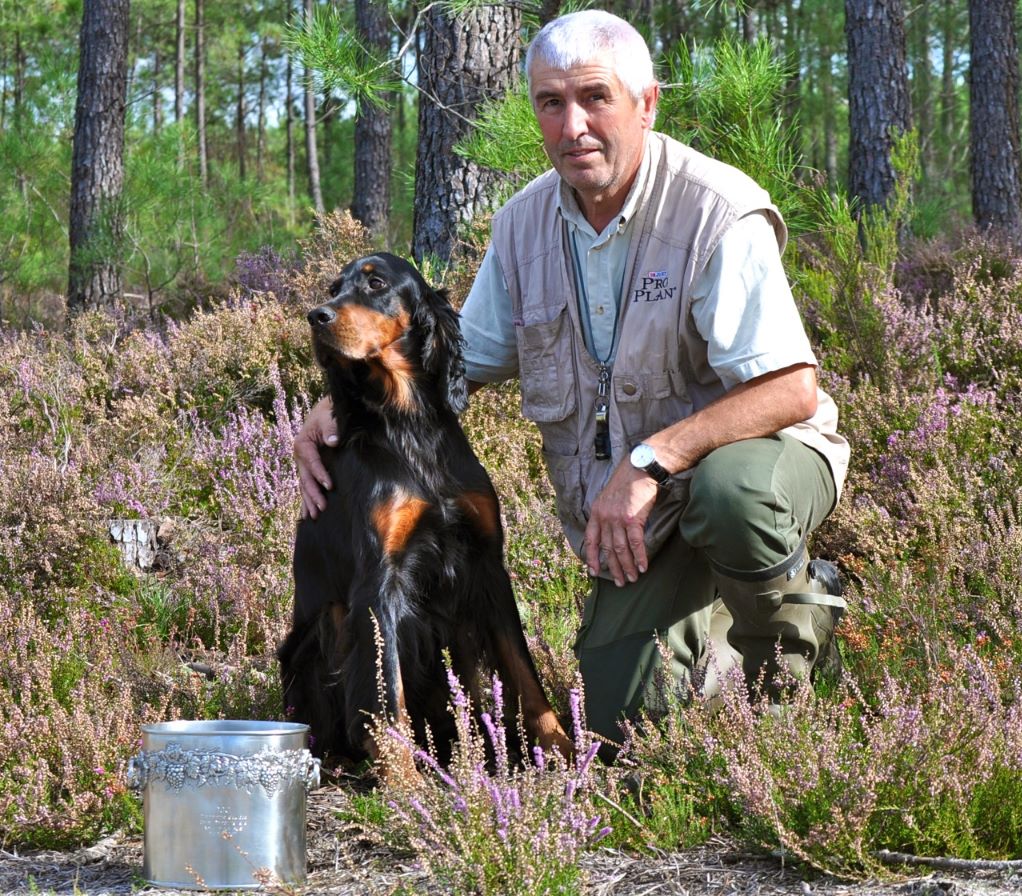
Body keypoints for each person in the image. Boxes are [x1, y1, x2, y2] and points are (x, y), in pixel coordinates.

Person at [294, 10, 850, 755]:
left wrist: (649, 460)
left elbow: (793, 390)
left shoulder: (714, 209)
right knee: (619, 725)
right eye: (551, 103)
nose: (574, 124)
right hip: (645, 526)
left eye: (596, 97)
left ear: (646, 103)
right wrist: (328, 411)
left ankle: (793, 681)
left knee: (733, 496)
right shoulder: (523, 225)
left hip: (757, 466)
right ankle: (711, 629)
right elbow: (454, 355)